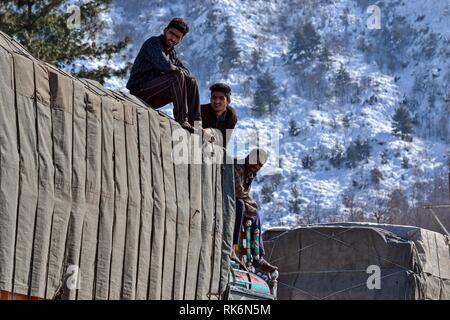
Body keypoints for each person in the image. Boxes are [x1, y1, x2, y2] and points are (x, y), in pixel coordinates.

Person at [126, 17, 201, 132]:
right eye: (172, 34)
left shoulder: (172, 53)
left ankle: (196, 124)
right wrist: (178, 70)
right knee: (176, 75)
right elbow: (165, 65)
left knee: (191, 82)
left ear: (180, 40)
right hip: (140, 91)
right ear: (165, 30)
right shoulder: (153, 43)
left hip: (155, 93)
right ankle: (182, 119)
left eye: (177, 37)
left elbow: (186, 72)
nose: (173, 38)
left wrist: (181, 72)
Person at [233, 148, 278, 273]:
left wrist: (252, 207)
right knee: (241, 206)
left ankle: (258, 256)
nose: (257, 167)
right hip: (228, 199)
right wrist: (252, 203)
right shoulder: (237, 166)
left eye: (260, 165)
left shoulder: (250, 173)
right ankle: (233, 247)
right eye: (256, 162)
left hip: (238, 200)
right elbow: (239, 192)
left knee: (255, 215)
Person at [201, 83, 237, 147]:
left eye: (221, 98)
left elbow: (224, 142)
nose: (217, 101)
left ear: (228, 101)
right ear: (210, 99)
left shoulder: (231, 116)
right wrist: (203, 132)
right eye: (214, 98)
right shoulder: (201, 111)